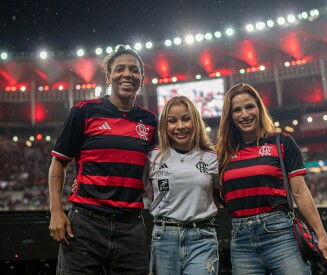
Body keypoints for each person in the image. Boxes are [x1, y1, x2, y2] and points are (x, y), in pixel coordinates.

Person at [48, 45, 157, 274]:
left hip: (131, 226)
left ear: (142, 78)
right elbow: (59, 163)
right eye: (120, 69)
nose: (127, 74)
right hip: (86, 224)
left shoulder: (150, 121)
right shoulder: (84, 111)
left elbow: (159, 165)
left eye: (134, 70)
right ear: (108, 76)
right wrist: (56, 212)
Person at [216, 83, 327, 274]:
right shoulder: (223, 153)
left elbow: (300, 192)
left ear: (259, 108)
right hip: (241, 241)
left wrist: (321, 234)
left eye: (249, 107)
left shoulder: (282, 142)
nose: (244, 114)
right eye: (236, 110)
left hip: (281, 236)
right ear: (229, 117)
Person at [146, 96, 219, 275]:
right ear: (164, 125)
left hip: (202, 237)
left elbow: (223, 194)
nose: (180, 126)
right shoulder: (152, 156)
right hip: (164, 237)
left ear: (195, 120)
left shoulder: (212, 157)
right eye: (172, 121)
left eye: (186, 119)